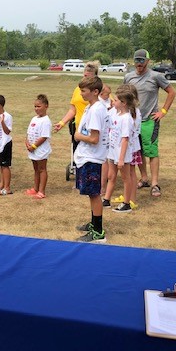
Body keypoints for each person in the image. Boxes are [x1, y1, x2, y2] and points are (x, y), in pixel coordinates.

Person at [123, 49, 176, 197]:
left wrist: (163, 112)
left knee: (151, 152)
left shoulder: (156, 76)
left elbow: (172, 92)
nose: (139, 63)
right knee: (137, 151)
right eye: (137, 60)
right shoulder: (128, 77)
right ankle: (144, 178)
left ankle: (154, 183)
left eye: (142, 60)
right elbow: (123, 95)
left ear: (148, 61)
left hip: (149, 120)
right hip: (133, 121)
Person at [73, 76, 109, 242]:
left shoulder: (96, 110)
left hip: (92, 157)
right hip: (88, 156)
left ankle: (98, 232)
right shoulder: (93, 107)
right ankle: (94, 223)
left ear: (95, 92)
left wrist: (78, 135)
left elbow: (94, 138)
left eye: (84, 91)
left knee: (94, 194)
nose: (81, 94)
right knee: (90, 194)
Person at [105, 87, 139, 213]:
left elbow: (125, 139)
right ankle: (106, 199)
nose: (114, 102)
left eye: (116, 100)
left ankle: (127, 203)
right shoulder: (117, 115)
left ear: (123, 103)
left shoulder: (127, 118)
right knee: (111, 175)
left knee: (126, 178)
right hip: (113, 152)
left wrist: (121, 159)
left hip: (122, 154)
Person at [25, 94, 52, 199]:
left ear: (46, 106)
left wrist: (34, 146)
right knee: (36, 169)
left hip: (40, 150)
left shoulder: (46, 121)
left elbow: (44, 137)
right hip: (32, 149)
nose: (36, 109)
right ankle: (35, 188)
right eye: (35, 106)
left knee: (42, 169)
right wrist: (27, 142)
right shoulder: (34, 119)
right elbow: (28, 133)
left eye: (39, 106)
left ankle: (41, 191)